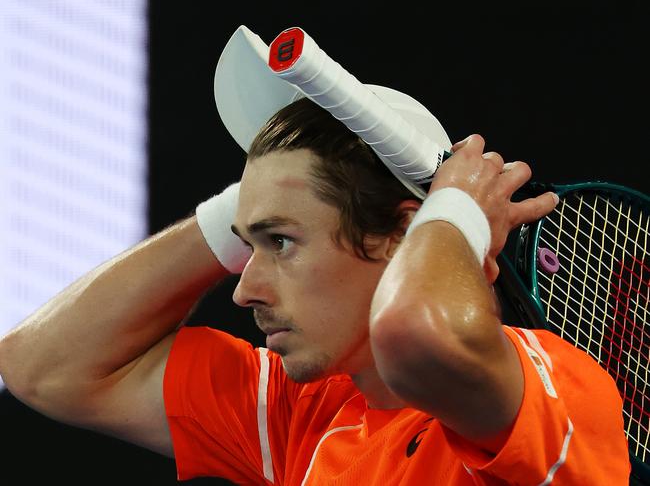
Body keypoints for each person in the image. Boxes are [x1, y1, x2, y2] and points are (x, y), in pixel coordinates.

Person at [0, 26, 631, 485]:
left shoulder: (557, 396)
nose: (243, 289)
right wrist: (247, 207)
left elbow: (417, 335)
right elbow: (41, 367)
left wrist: (457, 209)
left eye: (281, 243)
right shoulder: (301, 415)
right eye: (246, 245)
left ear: (402, 233)